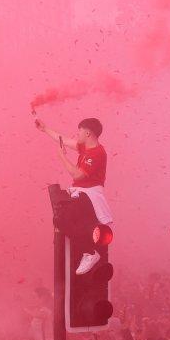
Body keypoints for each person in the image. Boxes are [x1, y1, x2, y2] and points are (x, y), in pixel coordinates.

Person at [35, 114, 112, 275]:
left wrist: (62, 156)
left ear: (88, 133)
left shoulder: (96, 153)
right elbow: (62, 139)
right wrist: (45, 129)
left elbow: (77, 175)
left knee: (62, 218)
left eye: (80, 131)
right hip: (82, 193)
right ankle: (88, 250)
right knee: (62, 219)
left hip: (89, 195)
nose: (77, 135)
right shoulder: (86, 148)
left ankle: (90, 252)